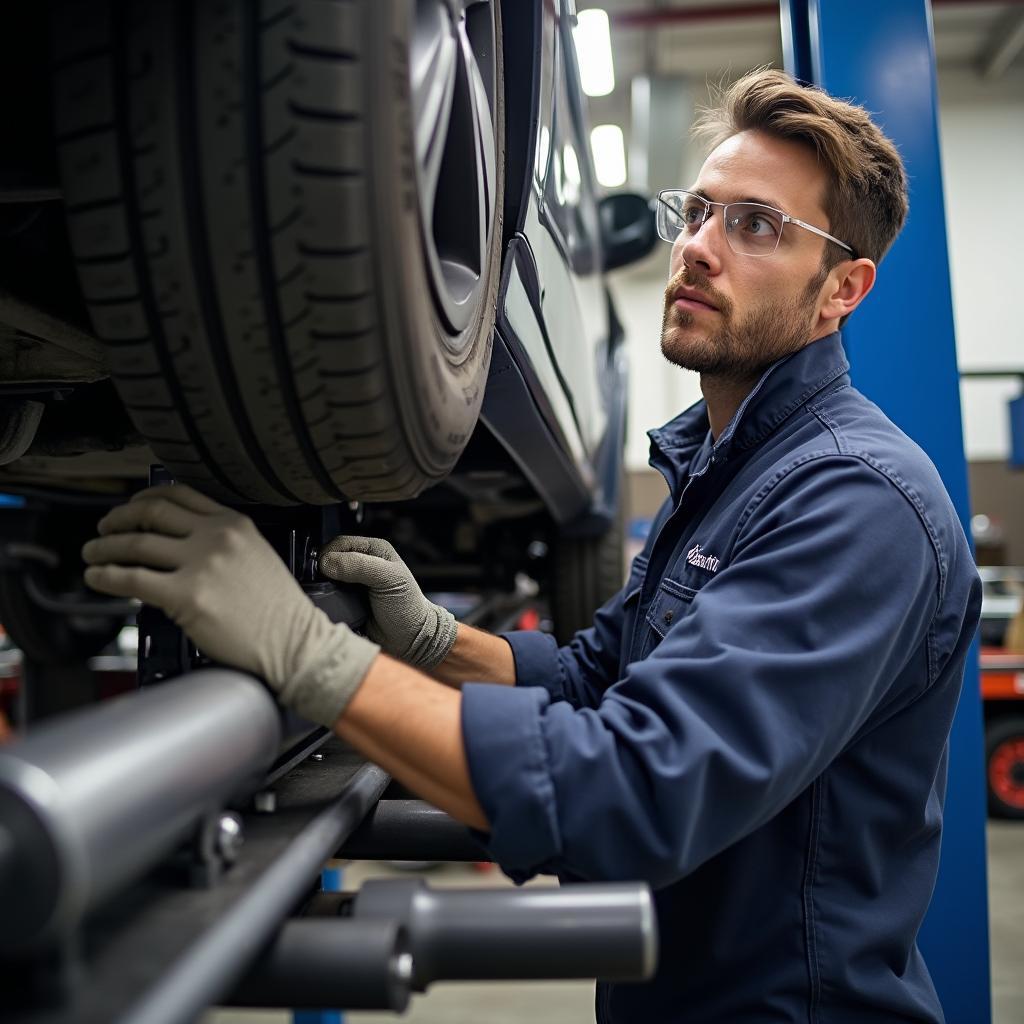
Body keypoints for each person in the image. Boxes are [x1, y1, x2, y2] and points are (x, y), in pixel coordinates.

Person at [81, 69, 981, 1023]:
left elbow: (634, 795)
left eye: (755, 226)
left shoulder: (858, 499)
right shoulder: (725, 464)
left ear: (843, 288)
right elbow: (603, 675)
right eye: (698, 212)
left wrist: (312, 659)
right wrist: (430, 642)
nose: (699, 249)